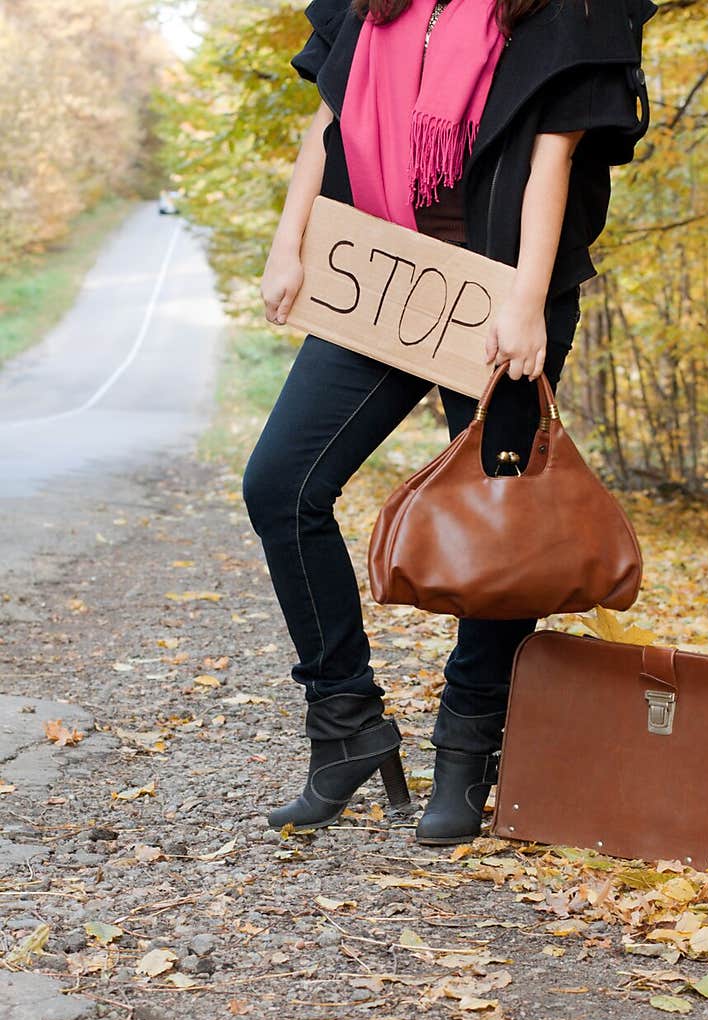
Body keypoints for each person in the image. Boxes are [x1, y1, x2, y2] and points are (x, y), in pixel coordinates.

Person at [243, 0, 657, 844]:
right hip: (384, 275)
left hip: (499, 293)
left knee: (506, 520)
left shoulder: (562, 9)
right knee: (280, 485)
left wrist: (528, 302)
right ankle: (347, 722)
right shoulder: (378, 7)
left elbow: (554, 156)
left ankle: (470, 747)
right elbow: (329, 116)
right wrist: (290, 241)